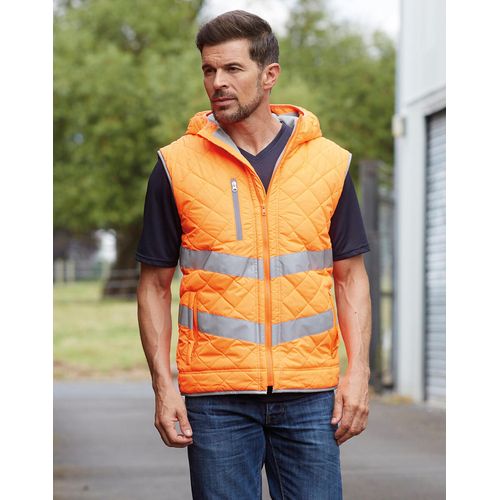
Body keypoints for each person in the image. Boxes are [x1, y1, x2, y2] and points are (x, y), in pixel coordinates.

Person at [136, 10, 371, 500]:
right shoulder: (176, 165)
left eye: (232, 69)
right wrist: (164, 386)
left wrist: (358, 373)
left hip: (309, 394)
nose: (217, 82)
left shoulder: (328, 162)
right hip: (216, 398)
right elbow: (154, 285)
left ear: (269, 75)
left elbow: (349, 276)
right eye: (208, 70)